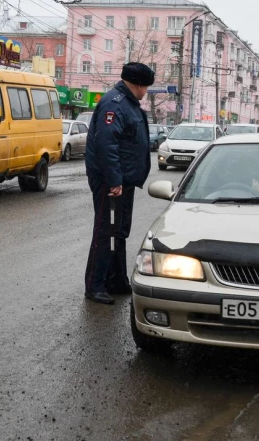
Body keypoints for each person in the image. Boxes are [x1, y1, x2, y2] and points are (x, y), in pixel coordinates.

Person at [84, 62, 155, 305]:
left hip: (124, 181)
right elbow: (106, 145)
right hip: (111, 183)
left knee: (119, 232)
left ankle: (116, 280)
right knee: (107, 232)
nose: (145, 92)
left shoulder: (129, 104)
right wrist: (114, 180)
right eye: (145, 87)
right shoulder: (114, 104)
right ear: (136, 84)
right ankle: (95, 285)